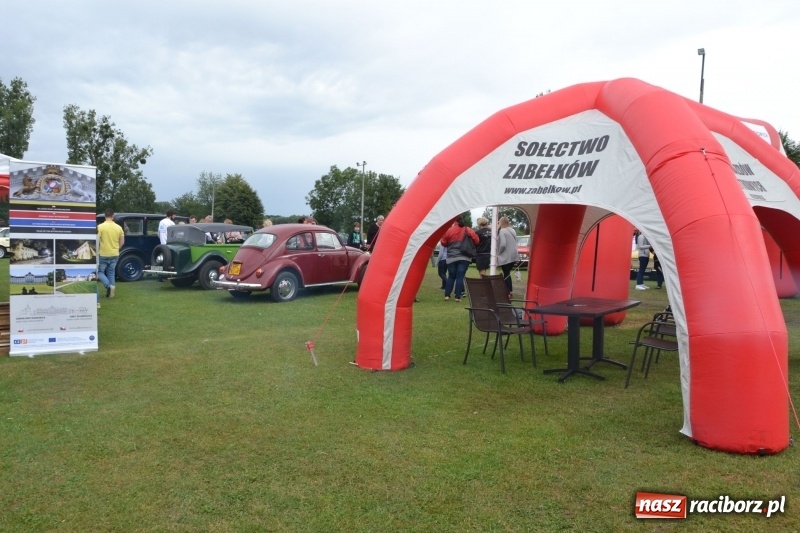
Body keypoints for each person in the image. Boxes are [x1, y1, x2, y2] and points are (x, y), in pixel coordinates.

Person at [440, 216, 479, 302]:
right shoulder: (468, 230)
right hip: (464, 257)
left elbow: (443, 243)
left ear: (454, 221)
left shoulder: (449, 230)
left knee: (451, 276)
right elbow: (476, 240)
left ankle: (447, 295)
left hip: (451, 257)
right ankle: (458, 296)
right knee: (460, 277)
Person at [97, 207, 125, 299]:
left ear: (105, 216)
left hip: (103, 253)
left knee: (100, 272)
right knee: (111, 272)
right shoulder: (119, 228)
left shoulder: (100, 227)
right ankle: (111, 293)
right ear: (113, 216)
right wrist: (117, 248)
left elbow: (97, 241)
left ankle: (108, 286)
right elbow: (122, 242)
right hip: (115, 253)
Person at [496, 216, 519, 298]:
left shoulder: (502, 231)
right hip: (513, 256)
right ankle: (510, 291)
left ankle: (507, 291)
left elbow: (503, 244)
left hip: (506, 256)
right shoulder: (513, 230)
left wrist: (499, 252)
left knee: (506, 274)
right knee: (507, 273)